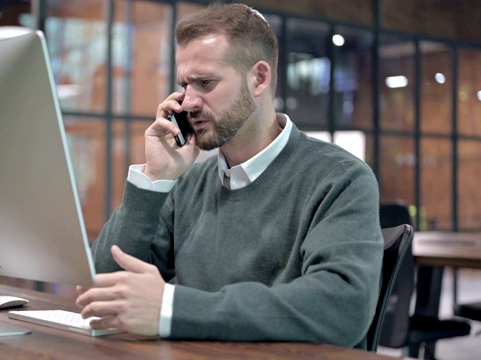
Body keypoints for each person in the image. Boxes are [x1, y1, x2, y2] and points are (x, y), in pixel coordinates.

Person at [75, 3, 383, 349]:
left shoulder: (339, 178)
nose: (188, 102)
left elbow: (343, 307)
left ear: (259, 79)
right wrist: (154, 178)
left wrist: (175, 308)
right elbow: (102, 284)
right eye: (184, 85)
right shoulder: (189, 183)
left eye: (205, 83)